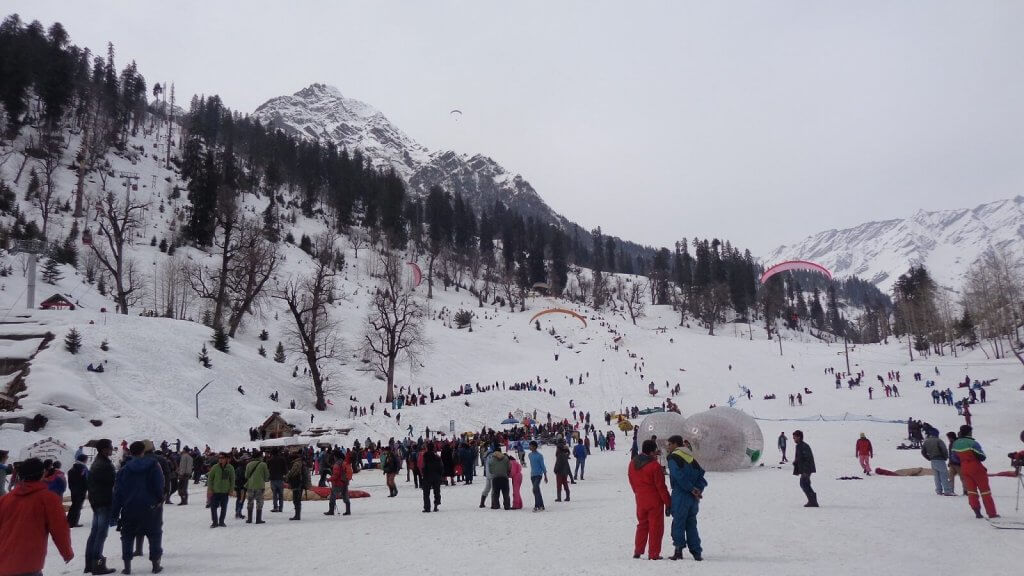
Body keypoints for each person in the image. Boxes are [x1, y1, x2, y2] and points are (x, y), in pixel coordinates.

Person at [0, 458, 74, 575]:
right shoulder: (48, 498)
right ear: (43, 473)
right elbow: (59, 528)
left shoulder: (5, 499)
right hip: (29, 564)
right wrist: (67, 553)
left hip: (4, 564)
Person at [110, 441, 164, 574]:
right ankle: (155, 565)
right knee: (154, 534)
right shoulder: (154, 466)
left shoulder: (124, 470)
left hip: (129, 508)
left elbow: (118, 493)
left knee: (127, 536)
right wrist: (159, 499)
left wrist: (114, 514)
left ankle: (127, 567)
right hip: (150, 507)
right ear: (143, 451)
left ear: (130, 452)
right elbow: (159, 485)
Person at [628, 440, 671, 560]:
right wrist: (668, 502)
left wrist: (637, 493)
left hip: (640, 499)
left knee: (642, 525)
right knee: (655, 528)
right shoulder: (654, 466)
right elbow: (661, 487)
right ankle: (653, 553)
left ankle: (638, 550)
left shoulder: (632, 463)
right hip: (654, 501)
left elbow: (631, 481)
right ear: (652, 452)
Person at [665, 436, 706, 561]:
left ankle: (678, 550)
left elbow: (678, 475)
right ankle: (696, 552)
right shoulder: (691, 457)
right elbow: (701, 475)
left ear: (676, 444)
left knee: (678, 523)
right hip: (693, 498)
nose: (668, 447)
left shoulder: (673, 457)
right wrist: (697, 490)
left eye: (670, 444)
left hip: (681, 494)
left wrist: (690, 489)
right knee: (691, 524)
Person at [951, 425, 998, 519]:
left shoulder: (955, 443)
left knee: (971, 491)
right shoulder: (972, 443)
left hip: (964, 468)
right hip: (975, 467)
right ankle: (991, 513)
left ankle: (977, 513)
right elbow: (982, 456)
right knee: (985, 491)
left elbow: (954, 458)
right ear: (969, 432)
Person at [85, 439, 117, 575]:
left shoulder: (98, 462)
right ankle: (98, 563)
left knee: (95, 533)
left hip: (97, 501)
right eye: (110, 447)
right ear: (104, 449)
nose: (112, 449)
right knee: (101, 534)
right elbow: (111, 481)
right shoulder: (104, 465)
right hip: (103, 501)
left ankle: (89, 563)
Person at [921, 428, 953, 496]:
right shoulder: (939, 441)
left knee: (936, 476)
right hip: (940, 460)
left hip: (932, 460)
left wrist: (928, 458)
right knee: (944, 476)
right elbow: (944, 450)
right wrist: (945, 457)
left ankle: (939, 491)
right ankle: (947, 491)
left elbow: (923, 452)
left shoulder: (926, 441)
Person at [206, 452, 235, 528]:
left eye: (222, 458)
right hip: (215, 491)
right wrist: (210, 489)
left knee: (224, 507)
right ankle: (214, 522)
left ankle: (221, 521)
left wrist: (231, 490)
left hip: (225, 491)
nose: (220, 459)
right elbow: (210, 479)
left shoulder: (230, 468)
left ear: (226, 459)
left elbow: (232, 480)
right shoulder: (215, 467)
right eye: (219, 458)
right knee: (213, 507)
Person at [792, 430, 817, 507]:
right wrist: (796, 462)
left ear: (799, 437)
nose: (794, 439)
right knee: (805, 484)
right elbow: (800, 458)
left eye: (795, 437)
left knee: (804, 484)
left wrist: (805, 471)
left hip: (806, 469)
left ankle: (813, 501)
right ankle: (812, 500)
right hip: (804, 469)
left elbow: (808, 458)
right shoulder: (799, 446)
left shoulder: (804, 446)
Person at [244, 451, 269, 524]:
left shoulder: (248, 464)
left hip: (250, 486)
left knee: (250, 502)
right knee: (259, 502)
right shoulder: (263, 464)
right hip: (260, 486)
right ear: (260, 457)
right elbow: (266, 476)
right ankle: (258, 519)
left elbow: (246, 475)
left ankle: (249, 519)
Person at [325, 450, 353, 516]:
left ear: (336, 456)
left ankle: (331, 511)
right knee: (345, 496)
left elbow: (335, 475)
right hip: (345, 482)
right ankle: (348, 511)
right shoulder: (344, 462)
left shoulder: (337, 464)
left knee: (332, 496)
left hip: (338, 483)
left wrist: (329, 479)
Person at [67, 452, 90, 527]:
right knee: (77, 506)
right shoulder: (83, 468)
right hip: (80, 490)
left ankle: (68, 521)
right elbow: (85, 479)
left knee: (74, 505)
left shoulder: (73, 468)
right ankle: (73, 522)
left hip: (73, 489)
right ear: (84, 460)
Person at [419, 442, 443, 513]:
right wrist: (440, 475)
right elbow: (441, 467)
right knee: (437, 491)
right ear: (433, 448)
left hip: (427, 476)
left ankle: (427, 507)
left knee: (426, 493)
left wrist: (423, 473)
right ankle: (436, 505)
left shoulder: (424, 456)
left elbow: (422, 466)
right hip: (436, 476)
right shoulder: (437, 457)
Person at [285, 453, 309, 521]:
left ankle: (297, 515)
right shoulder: (301, 462)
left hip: (297, 483)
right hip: (301, 483)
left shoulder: (296, 464)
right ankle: (297, 515)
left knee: (296, 499)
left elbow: (293, 473)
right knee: (297, 499)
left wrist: (286, 477)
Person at [488, 444, 511, 510]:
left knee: (496, 493)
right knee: (506, 492)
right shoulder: (506, 458)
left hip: (495, 478)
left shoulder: (491, 459)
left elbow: (490, 470)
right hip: (504, 477)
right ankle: (507, 506)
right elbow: (509, 468)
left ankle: (496, 505)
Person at [528, 441, 548, 511]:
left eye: (531, 446)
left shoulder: (539, 456)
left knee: (535, 489)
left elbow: (543, 466)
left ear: (534, 447)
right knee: (536, 490)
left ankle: (536, 506)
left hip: (538, 475)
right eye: (529, 446)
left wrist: (545, 475)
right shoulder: (529, 455)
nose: (529, 447)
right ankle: (541, 505)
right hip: (532, 475)